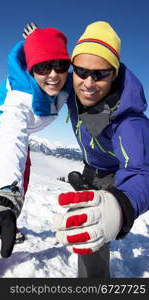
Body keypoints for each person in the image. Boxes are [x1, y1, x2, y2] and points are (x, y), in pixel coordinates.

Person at [0, 23, 71, 278]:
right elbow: (11, 137)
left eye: (60, 64)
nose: (54, 74)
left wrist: (36, 41)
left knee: (20, 180)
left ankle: (2, 222)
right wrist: (3, 199)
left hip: (21, 133)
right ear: (31, 69)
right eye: (43, 67)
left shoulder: (67, 83)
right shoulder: (20, 98)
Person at [53, 21, 149, 278]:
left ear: (114, 74)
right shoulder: (72, 85)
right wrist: (37, 44)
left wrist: (120, 205)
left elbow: (141, 170)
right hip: (92, 165)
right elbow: (44, 74)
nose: (88, 82)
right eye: (81, 71)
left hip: (116, 171)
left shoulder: (129, 121)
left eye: (101, 74)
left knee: (92, 221)